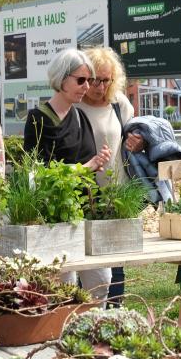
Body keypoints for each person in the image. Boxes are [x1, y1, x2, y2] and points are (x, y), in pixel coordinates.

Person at [23, 49, 113, 289]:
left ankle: (93, 315)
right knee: (64, 286)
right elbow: (38, 173)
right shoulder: (38, 119)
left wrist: (98, 162)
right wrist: (85, 167)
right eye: (81, 80)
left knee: (101, 281)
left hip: (84, 212)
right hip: (54, 218)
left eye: (89, 80)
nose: (87, 87)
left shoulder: (80, 117)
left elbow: (89, 167)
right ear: (61, 78)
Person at [77, 47, 135, 305]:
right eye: (95, 80)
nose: (100, 87)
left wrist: (138, 140)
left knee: (115, 260)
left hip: (115, 194)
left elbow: (132, 134)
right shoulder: (74, 104)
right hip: (84, 194)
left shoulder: (119, 104)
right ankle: (86, 312)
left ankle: (115, 311)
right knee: (86, 261)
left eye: (106, 80)